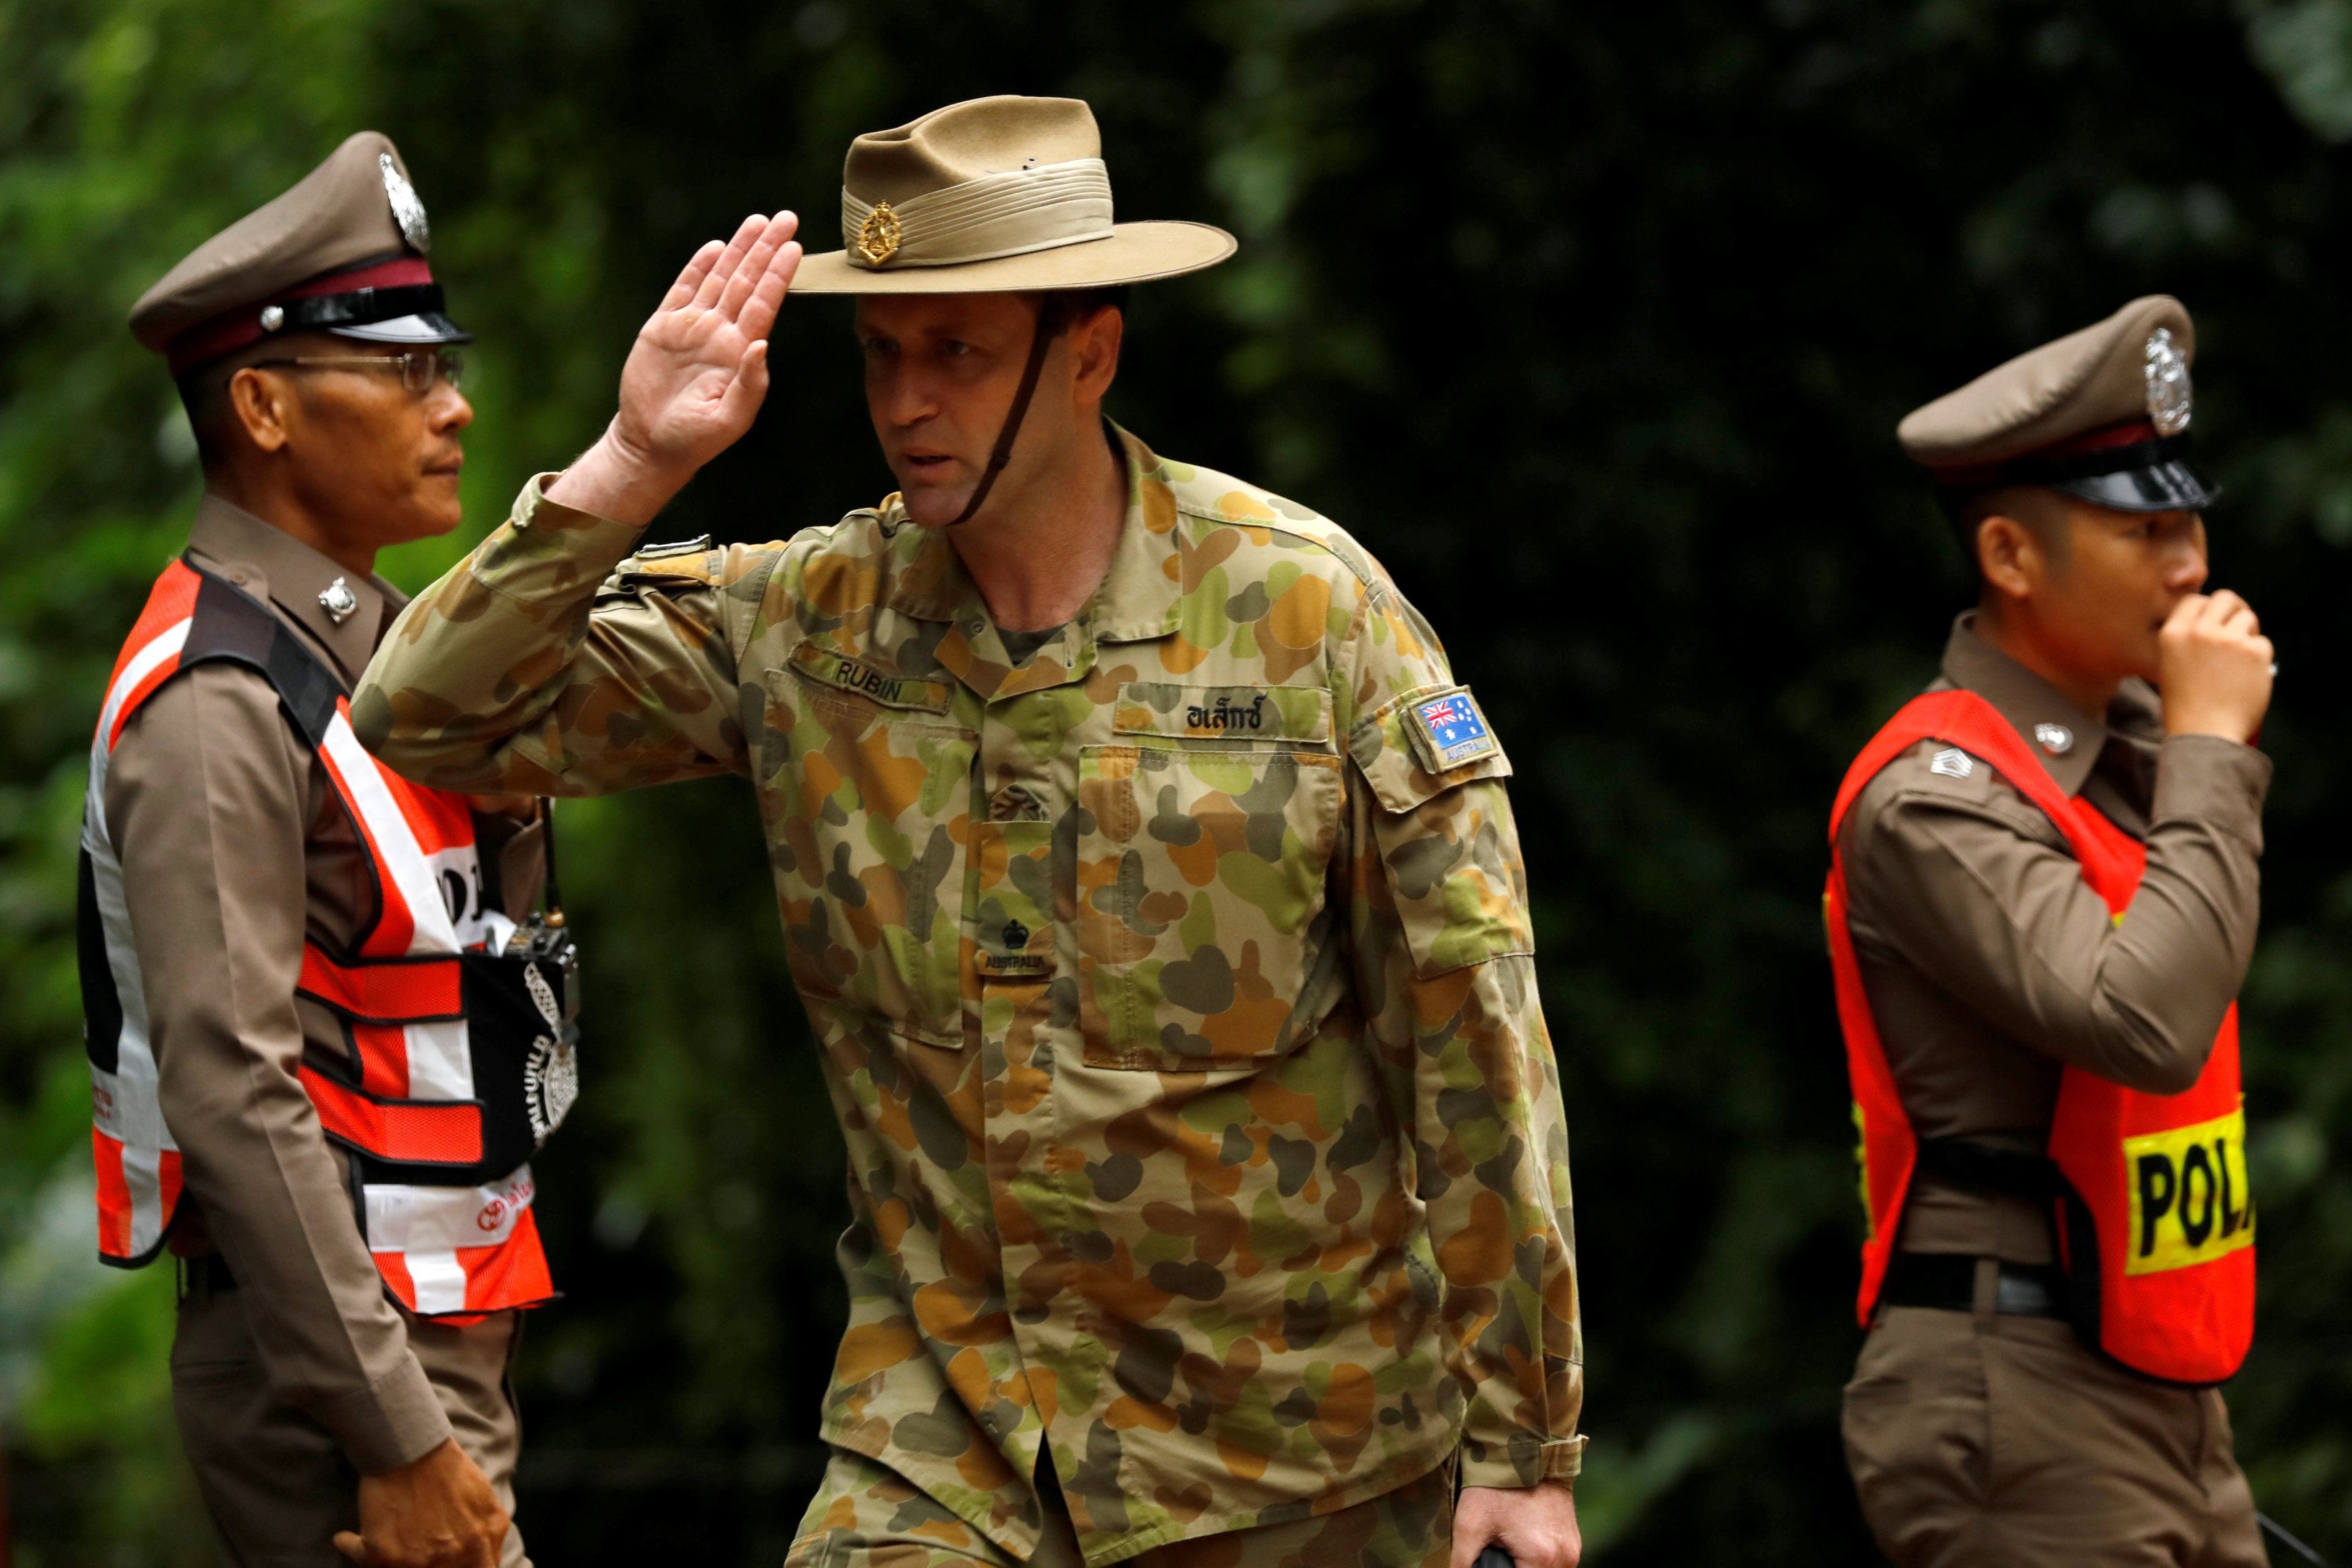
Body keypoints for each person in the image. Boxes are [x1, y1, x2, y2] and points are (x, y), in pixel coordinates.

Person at [353, 95, 1585, 1568]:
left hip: (1287, 1458)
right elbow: (426, 714)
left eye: (958, 352)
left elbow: (1470, 1035)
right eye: (880, 351)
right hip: (946, 1447)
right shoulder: (808, 625)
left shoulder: (1309, 620)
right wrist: (634, 457)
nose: (907, 401)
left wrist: (1523, 1447)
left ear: (1089, 353)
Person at [87, 132, 579, 1568]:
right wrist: (397, 1440)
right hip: (345, 1379)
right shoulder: (216, 698)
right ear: (263, 405)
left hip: (421, 1333)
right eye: (409, 373)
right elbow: (233, 1090)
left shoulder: (358, 654)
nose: (457, 408)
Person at [1826, 295, 2275, 1565]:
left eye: (2189, 521)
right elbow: (2144, 1021)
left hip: (2150, 1375)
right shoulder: (1932, 795)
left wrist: (2184, 750)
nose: (2190, 564)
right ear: (2013, 557)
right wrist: (2204, 748)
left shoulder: (2127, 760)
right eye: (2143, 530)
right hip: (2008, 1382)